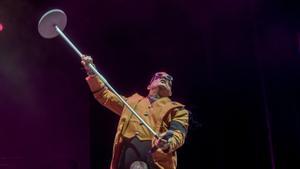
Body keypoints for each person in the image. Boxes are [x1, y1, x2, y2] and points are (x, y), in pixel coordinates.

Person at [81, 55, 189, 169]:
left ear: (170, 92)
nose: (164, 77)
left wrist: (168, 143)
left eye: (168, 80)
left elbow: (178, 133)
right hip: (124, 162)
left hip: (156, 162)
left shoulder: (178, 110)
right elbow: (104, 95)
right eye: (158, 76)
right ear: (149, 86)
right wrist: (92, 73)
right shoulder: (131, 103)